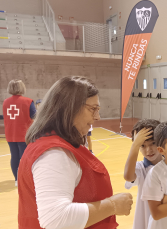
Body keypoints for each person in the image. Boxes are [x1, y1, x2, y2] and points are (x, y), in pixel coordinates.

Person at [18, 76, 133, 229]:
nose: (97, 117)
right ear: (70, 108)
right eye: (93, 109)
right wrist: (112, 206)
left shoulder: (55, 145)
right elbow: (55, 218)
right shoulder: (54, 154)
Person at [123, 119, 162, 229]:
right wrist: (135, 145)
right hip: (145, 222)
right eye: (142, 146)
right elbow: (128, 176)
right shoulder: (141, 168)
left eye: (153, 143)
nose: (148, 150)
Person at [2, 79, 36, 187]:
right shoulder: (28, 101)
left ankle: (16, 180)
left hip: (10, 134)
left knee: (14, 156)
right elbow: (34, 117)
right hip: (23, 134)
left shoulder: (6, 102)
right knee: (25, 157)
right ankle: (26, 179)